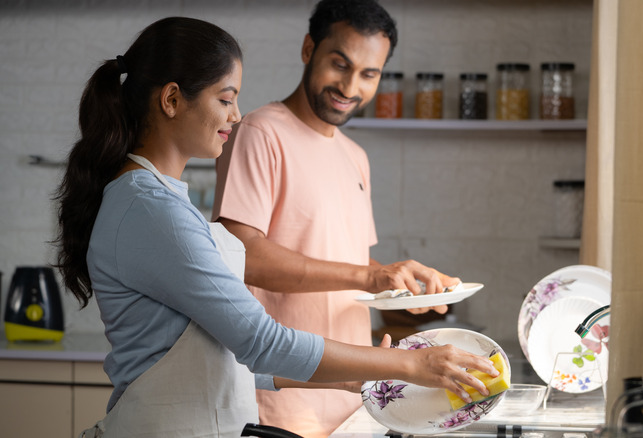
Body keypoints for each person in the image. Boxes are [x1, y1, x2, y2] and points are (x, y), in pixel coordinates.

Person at [53, 16, 496, 438]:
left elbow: (234, 357)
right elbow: (259, 341)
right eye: (225, 99)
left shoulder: (160, 201)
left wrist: (365, 370)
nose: (236, 116)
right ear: (171, 100)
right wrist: (409, 365)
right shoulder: (151, 209)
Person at [211, 1, 460, 435]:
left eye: (369, 74)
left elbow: (348, 267)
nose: (350, 86)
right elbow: (242, 255)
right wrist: (369, 277)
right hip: (280, 404)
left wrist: (400, 280)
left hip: (351, 402)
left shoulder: (355, 156)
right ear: (309, 49)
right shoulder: (259, 132)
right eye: (339, 64)